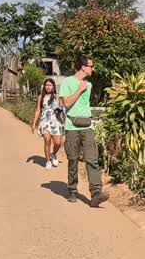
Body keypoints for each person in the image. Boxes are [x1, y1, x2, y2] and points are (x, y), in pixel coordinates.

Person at [58, 55, 107, 206]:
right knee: (73, 159)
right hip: (72, 126)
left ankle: (96, 193)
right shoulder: (67, 82)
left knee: (92, 159)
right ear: (83, 67)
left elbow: (84, 105)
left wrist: (83, 86)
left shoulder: (89, 84)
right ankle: (72, 190)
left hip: (87, 126)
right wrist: (79, 89)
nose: (93, 69)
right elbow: (66, 104)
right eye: (91, 66)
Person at [31, 78, 64, 168]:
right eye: (46, 85)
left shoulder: (57, 96)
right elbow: (38, 110)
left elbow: (62, 108)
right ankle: (48, 160)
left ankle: (53, 154)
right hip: (45, 121)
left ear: (53, 86)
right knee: (47, 141)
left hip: (56, 121)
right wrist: (34, 123)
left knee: (57, 143)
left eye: (50, 85)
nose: (48, 87)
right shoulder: (41, 97)